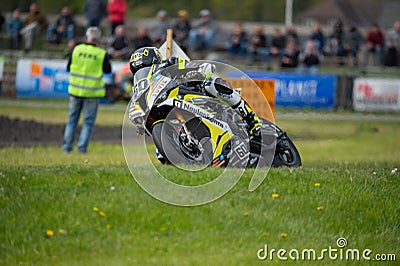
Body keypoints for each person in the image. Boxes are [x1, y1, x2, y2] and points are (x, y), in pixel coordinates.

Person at [128, 47, 262, 165]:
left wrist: (196, 70)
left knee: (214, 84)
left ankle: (251, 118)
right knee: (161, 155)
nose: (142, 73)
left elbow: (188, 65)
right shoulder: (139, 89)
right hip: (167, 109)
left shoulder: (169, 64)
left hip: (191, 92)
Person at [62, 27, 112, 154]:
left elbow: (68, 67)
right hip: (91, 93)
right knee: (88, 123)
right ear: (98, 40)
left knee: (72, 121)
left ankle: (66, 148)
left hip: (75, 91)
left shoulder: (76, 50)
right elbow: (108, 70)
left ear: (86, 37)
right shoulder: (101, 54)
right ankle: (81, 149)